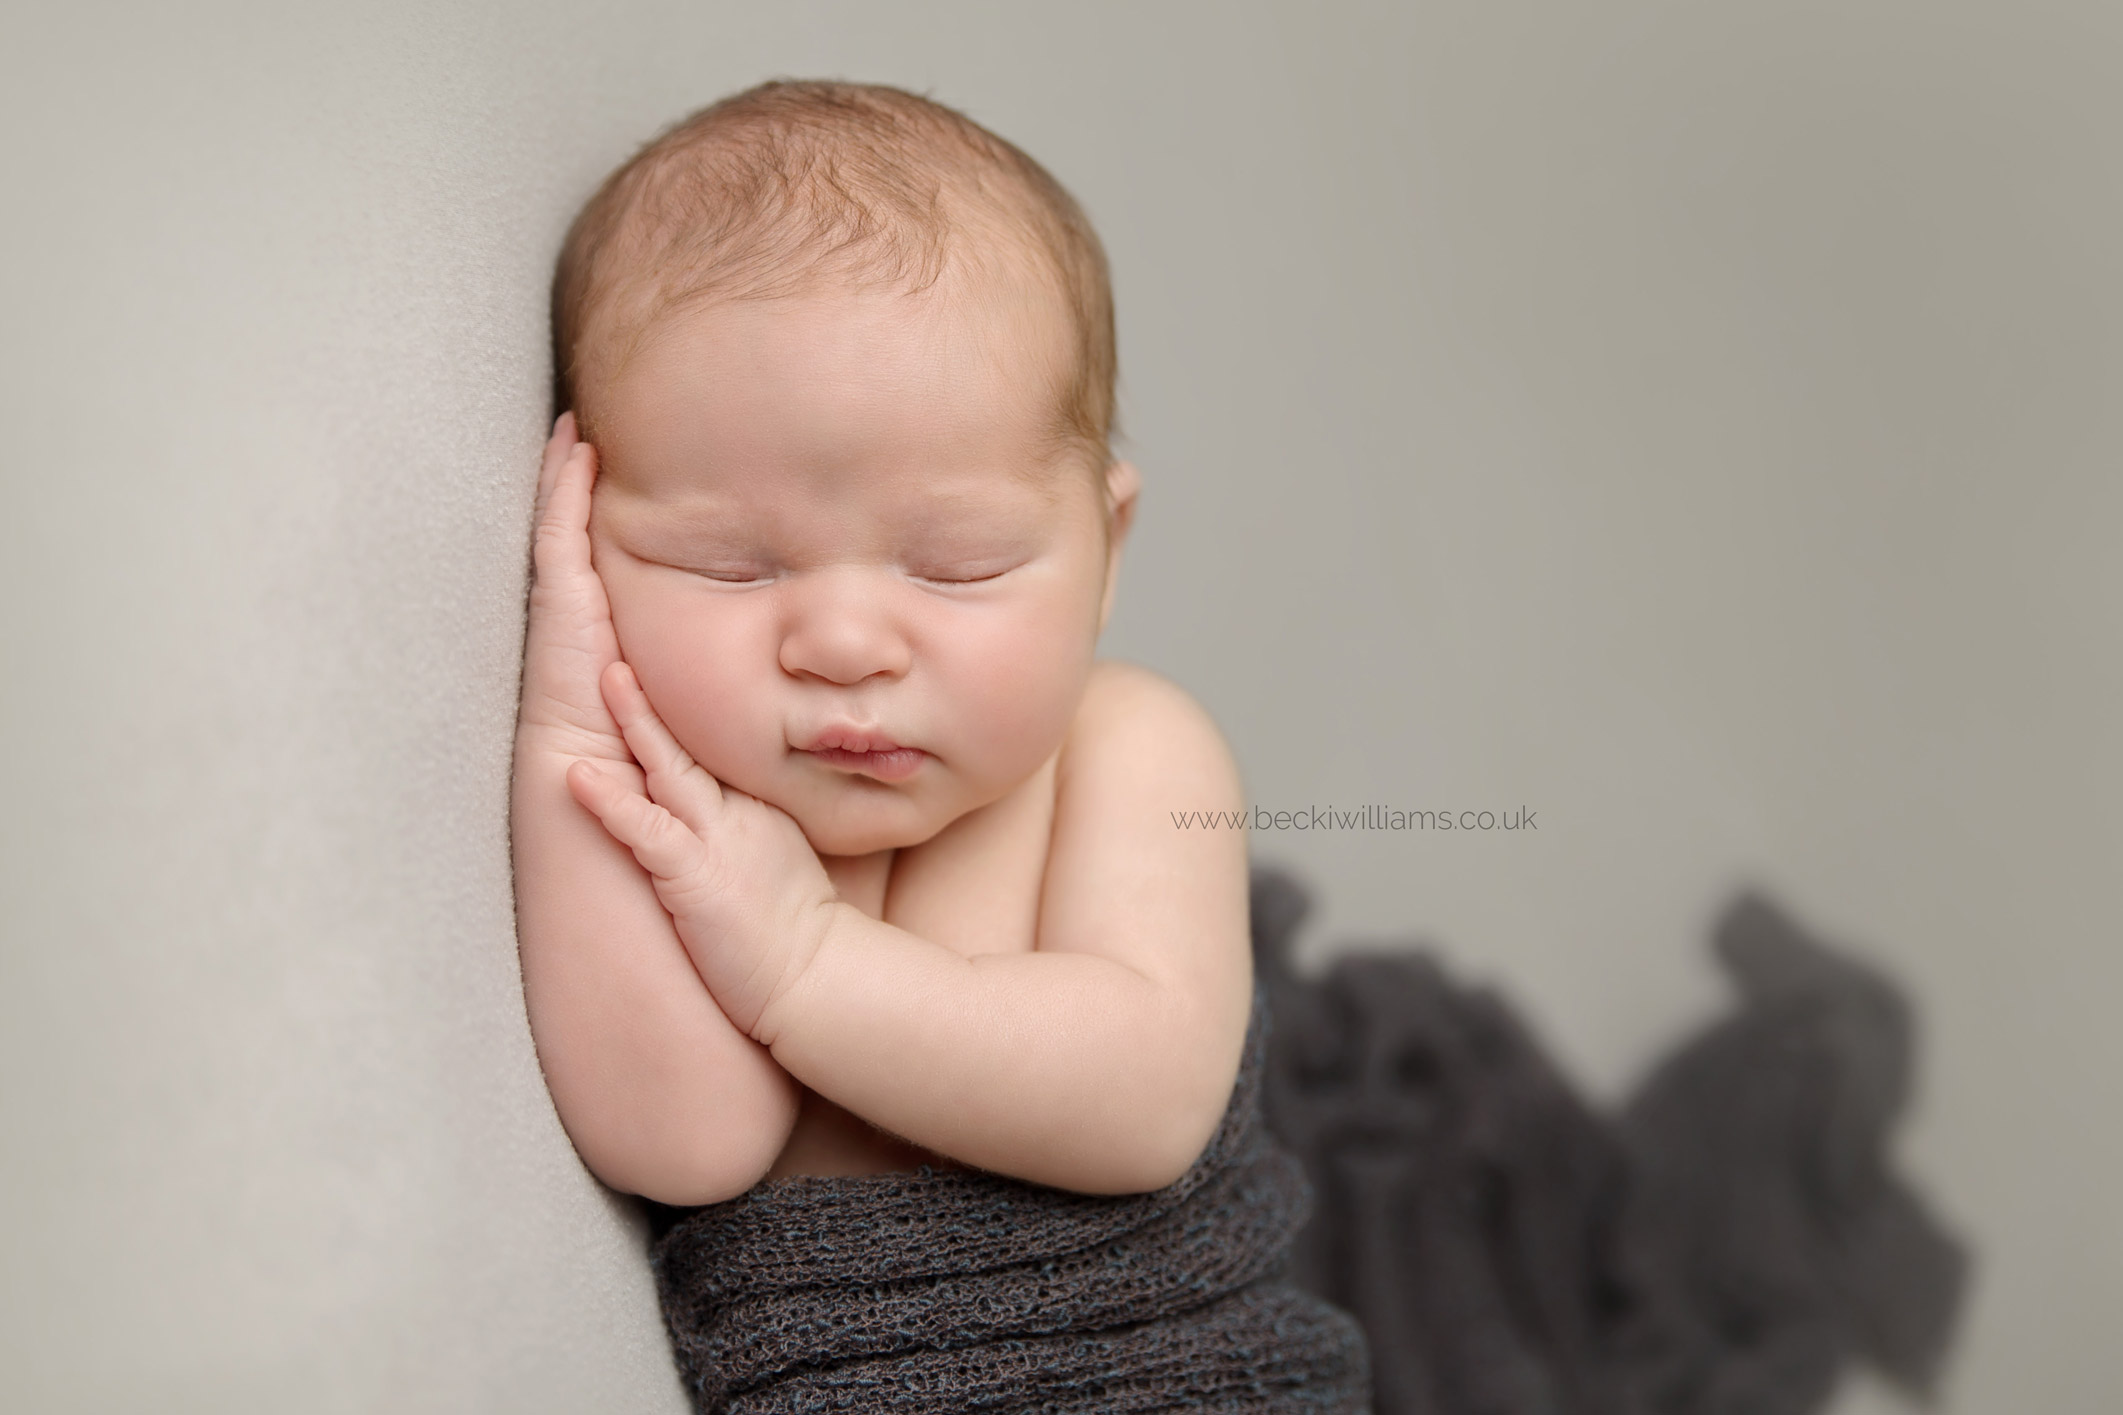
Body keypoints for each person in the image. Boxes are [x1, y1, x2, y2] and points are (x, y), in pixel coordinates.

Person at [510, 79, 1367, 1411]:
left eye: (958, 568)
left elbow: (1144, 1101)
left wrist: (803, 962)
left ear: (1105, 550)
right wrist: (569, 725)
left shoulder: (1128, 751)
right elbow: (679, 1141)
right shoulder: (703, 814)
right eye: (727, 568)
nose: (845, 642)